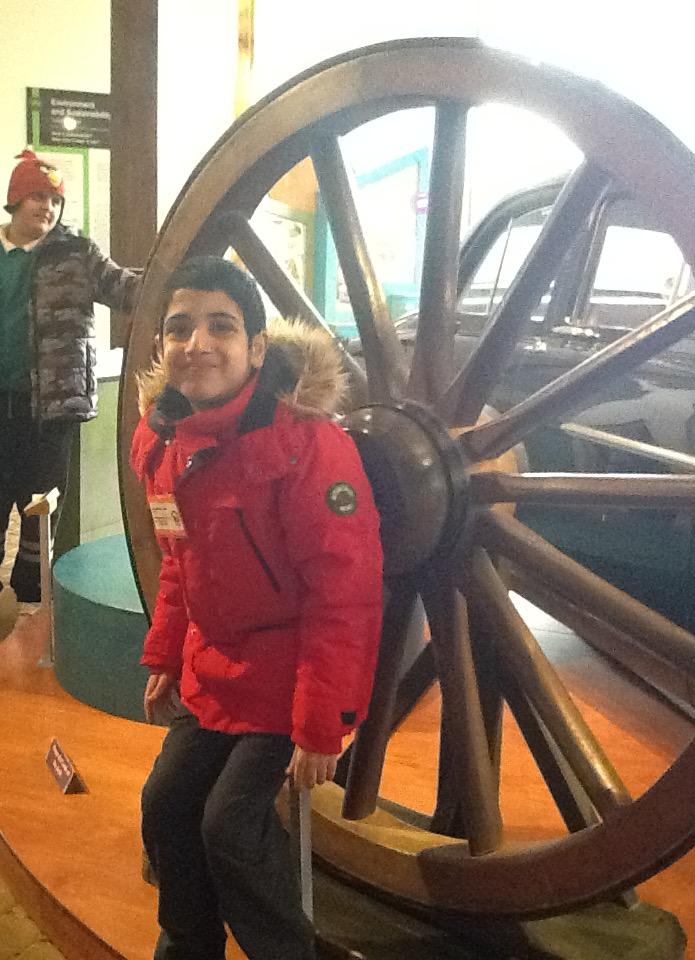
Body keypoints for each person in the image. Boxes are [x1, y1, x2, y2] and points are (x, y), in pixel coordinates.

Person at [131, 256, 383, 960]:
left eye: (222, 326)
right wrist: (165, 653)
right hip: (215, 669)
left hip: (291, 680)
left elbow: (343, 590)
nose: (198, 344)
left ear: (257, 347)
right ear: (162, 345)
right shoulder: (163, 441)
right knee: (165, 805)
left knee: (230, 828)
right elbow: (179, 563)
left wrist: (322, 722)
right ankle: (188, 944)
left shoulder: (307, 445)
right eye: (179, 328)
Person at [0, 149, 139, 638]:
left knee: (40, 510)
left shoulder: (77, 253)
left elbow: (126, 289)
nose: (48, 207)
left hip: (51, 409)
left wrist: (180, 280)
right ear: (15, 200)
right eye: (38, 196)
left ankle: (33, 609)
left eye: (55, 200)